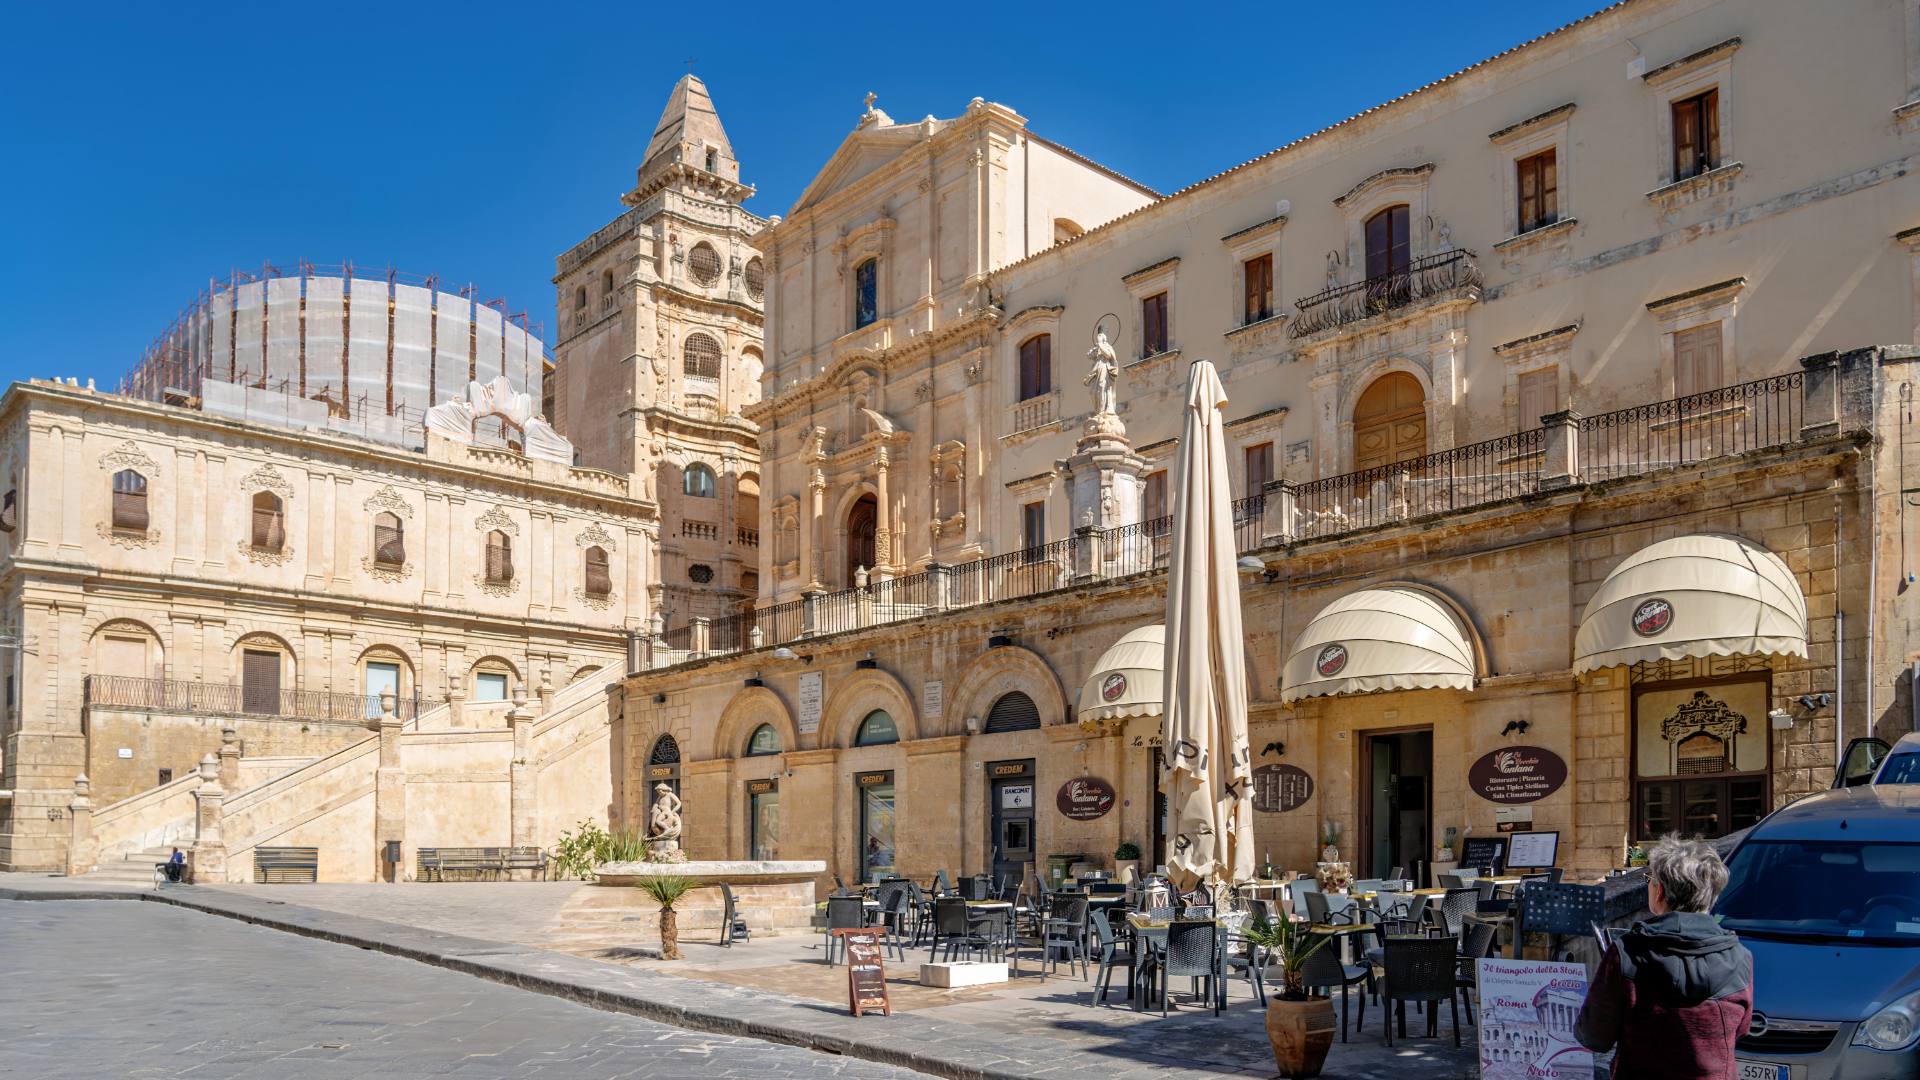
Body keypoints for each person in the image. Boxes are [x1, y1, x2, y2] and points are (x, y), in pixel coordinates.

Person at [1575, 834, 1753, 1079]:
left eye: (1650, 879)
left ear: (1659, 891)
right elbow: (1741, 1029)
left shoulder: (1628, 952)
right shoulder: (1740, 955)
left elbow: (1594, 1036)